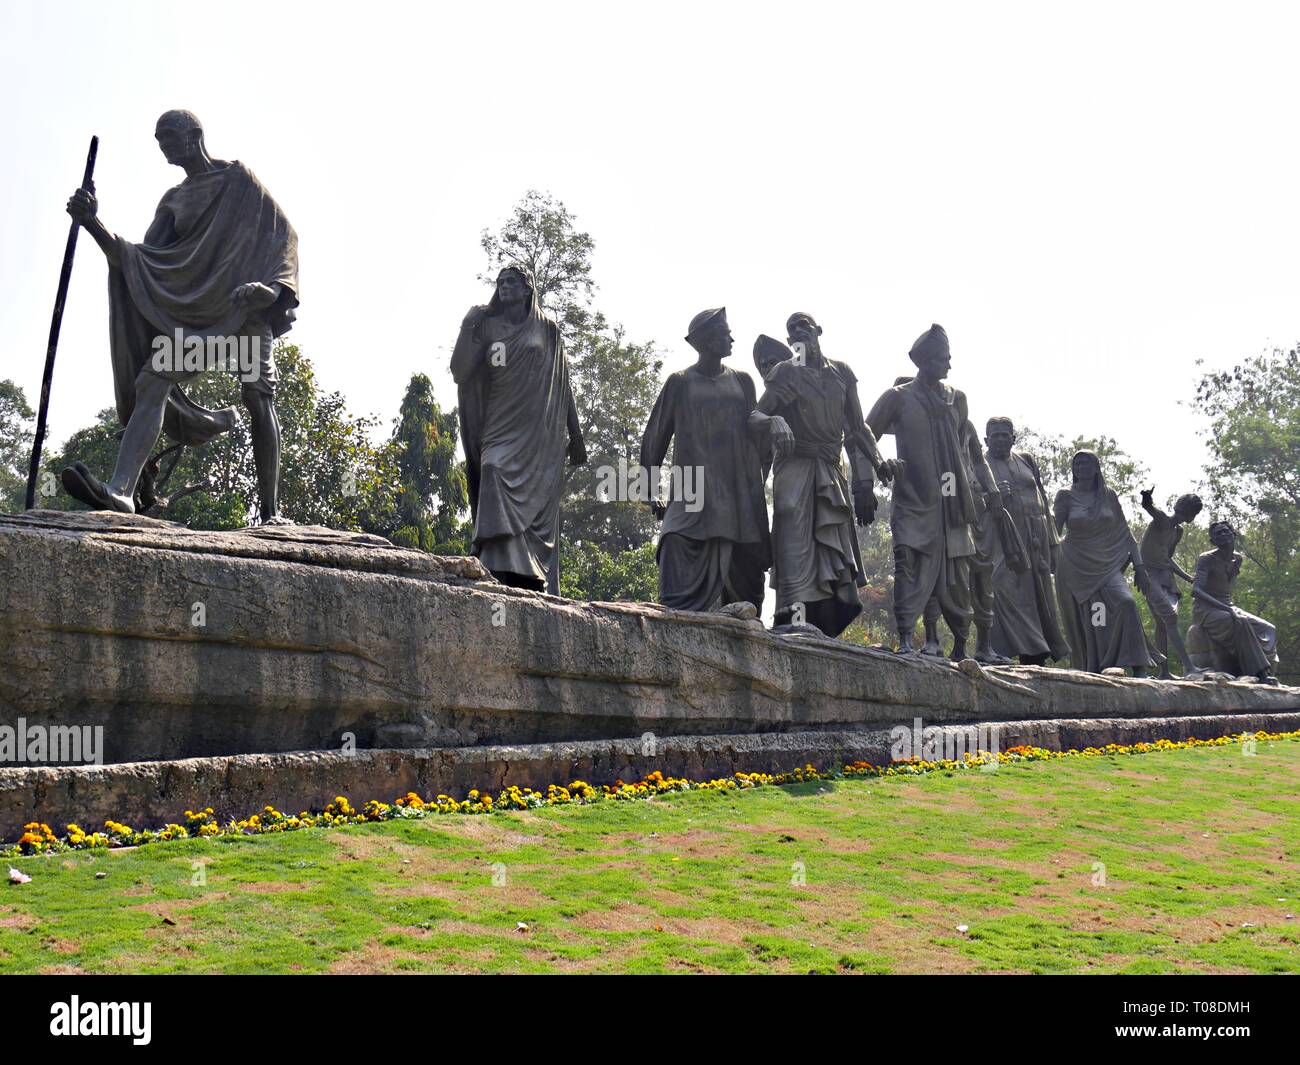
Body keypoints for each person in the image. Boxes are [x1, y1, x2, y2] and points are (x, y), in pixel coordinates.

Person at [62, 110, 299, 523]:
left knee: (258, 397)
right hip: (201, 321)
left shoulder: (239, 181)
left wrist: (272, 291)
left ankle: (271, 513)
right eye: (158, 140)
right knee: (153, 378)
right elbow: (137, 260)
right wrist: (91, 222)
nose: (164, 146)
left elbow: (284, 237)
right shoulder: (173, 200)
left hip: (245, 312)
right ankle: (121, 491)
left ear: (195, 135)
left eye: (170, 136)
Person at [640, 309, 789, 612]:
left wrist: (773, 427)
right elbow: (655, 436)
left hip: (735, 493)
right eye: (725, 333)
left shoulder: (743, 381)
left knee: (745, 570)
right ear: (707, 341)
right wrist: (648, 489)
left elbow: (755, 428)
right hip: (692, 491)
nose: (732, 338)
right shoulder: (679, 382)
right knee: (674, 541)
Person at [452, 264, 585, 593]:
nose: (504, 286)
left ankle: (530, 572)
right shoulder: (487, 327)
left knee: (537, 496)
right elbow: (459, 371)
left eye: (512, 281)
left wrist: (576, 433)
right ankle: (497, 562)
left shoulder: (548, 329)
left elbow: (563, 383)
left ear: (528, 289)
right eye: (500, 282)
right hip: (499, 422)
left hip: (539, 432)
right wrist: (468, 324)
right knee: (494, 468)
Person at [756, 312, 889, 637]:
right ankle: (792, 617)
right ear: (790, 342)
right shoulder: (784, 372)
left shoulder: (842, 373)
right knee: (792, 532)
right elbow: (755, 414)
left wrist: (878, 461)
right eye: (792, 330)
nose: (799, 331)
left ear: (818, 331)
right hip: (795, 464)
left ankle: (823, 622)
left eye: (804, 325)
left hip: (830, 469)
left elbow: (858, 428)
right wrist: (774, 421)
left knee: (828, 548)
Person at [864, 324, 992, 658]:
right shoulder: (898, 397)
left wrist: (978, 492)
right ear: (924, 361)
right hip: (913, 501)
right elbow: (862, 433)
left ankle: (962, 647)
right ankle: (906, 638)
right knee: (907, 562)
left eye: (948, 359)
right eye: (941, 359)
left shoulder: (957, 399)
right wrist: (879, 465)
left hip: (952, 505)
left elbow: (966, 448)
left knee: (955, 575)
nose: (948, 366)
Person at [1053, 451, 1153, 675]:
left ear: (1096, 467)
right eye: (1077, 463)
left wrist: (1139, 567)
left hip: (1107, 563)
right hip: (1076, 565)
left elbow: (1126, 534)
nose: (1081, 467)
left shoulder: (1108, 495)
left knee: (1126, 602)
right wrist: (1048, 559)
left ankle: (1139, 667)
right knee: (1096, 617)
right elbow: (1053, 532)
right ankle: (1100, 666)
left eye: (1086, 463)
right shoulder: (1065, 495)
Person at [984, 417, 1070, 665]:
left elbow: (1042, 497)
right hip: (1003, 536)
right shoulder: (980, 463)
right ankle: (998, 649)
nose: (1000, 439)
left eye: (1005, 434)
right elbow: (970, 497)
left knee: (1037, 593)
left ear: (1013, 438)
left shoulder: (1027, 460)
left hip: (1036, 536)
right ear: (986, 439)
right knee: (1000, 586)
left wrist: (1053, 543)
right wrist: (991, 496)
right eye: (995, 435)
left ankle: (1035, 653)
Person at [1190, 521, 1279, 684]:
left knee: (1268, 629)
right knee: (1241, 621)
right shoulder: (1206, 559)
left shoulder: (1238, 559)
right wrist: (1228, 609)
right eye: (1218, 534)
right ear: (1213, 541)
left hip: (1228, 606)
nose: (1223, 535)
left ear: (1233, 534)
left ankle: (1269, 669)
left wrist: (1230, 608)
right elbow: (1196, 591)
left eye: (1225, 532)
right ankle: (1260, 673)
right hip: (1205, 610)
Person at [1138, 487, 1204, 677]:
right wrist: (1146, 497)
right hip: (1149, 576)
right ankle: (1190, 667)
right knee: (1170, 618)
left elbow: (1167, 558)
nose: (1186, 515)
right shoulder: (1161, 520)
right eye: (1187, 510)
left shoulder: (1178, 531)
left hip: (1165, 577)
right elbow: (1148, 507)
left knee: (1162, 623)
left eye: (1191, 512)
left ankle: (1164, 672)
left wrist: (1188, 577)